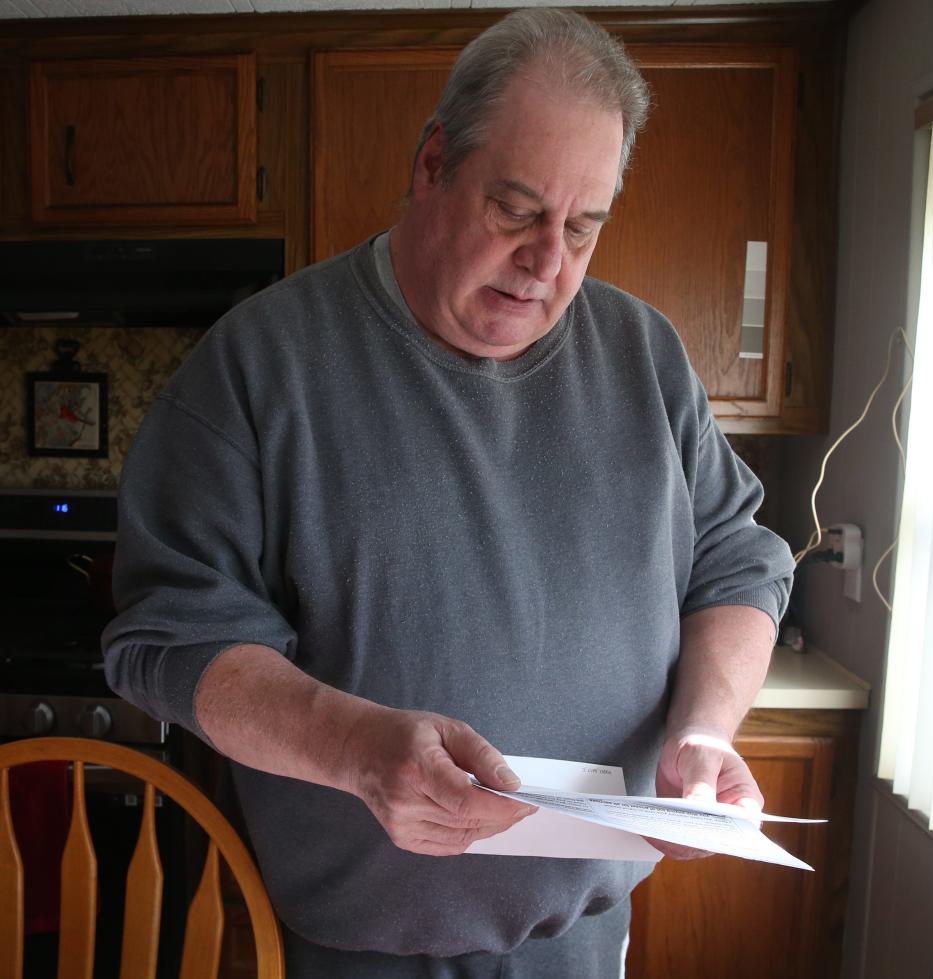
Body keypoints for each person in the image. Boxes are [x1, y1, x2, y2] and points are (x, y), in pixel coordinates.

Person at [103, 8, 794, 977]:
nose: (548, 263)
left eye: (583, 227)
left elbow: (737, 560)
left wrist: (703, 729)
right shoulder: (261, 364)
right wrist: (354, 747)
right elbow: (169, 641)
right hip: (346, 945)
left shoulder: (645, 354)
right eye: (516, 211)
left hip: (585, 933)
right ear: (433, 165)